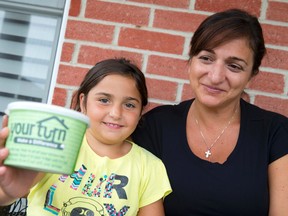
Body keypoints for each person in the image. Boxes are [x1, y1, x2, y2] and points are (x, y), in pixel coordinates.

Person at [132, 8, 288, 216]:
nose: (215, 76)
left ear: (251, 76)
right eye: (206, 58)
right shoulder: (155, 126)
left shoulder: (276, 133)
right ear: (191, 61)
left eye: (234, 66)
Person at [0, 58, 172, 215]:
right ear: (83, 102)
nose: (115, 113)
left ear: (141, 111)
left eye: (129, 104)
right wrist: (8, 193)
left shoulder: (150, 167)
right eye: (104, 100)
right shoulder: (56, 144)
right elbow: (12, 192)